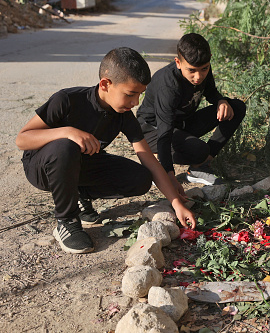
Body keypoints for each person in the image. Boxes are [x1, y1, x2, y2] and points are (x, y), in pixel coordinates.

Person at [15, 47, 196, 254]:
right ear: (105, 84)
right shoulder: (67, 100)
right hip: (42, 167)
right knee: (66, 145)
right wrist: (67, 132)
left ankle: (79, 194)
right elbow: (22, 139)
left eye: (139, 95)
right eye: (130, 94)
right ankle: (67, 221)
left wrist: (176, 203)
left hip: (79, 167)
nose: (135, 102)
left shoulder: (123, 115)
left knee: (140, 178)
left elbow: (148, 159)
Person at [136, 33, 246, 186]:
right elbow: (164, 132)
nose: (198, 77)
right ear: (178, 63)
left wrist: (221, 101)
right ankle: (157, 166)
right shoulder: (168, 85)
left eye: (204, 69)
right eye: (192, 71)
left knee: (236, 108)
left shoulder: (202, 67)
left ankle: (199, 167)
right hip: (153, 131)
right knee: (198, 149)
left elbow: (211, 92)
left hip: (181, 124)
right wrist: (168, 174)